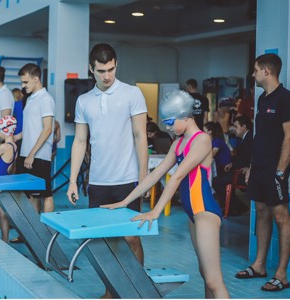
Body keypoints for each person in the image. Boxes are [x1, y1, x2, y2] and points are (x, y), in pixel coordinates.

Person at [102, 90, 230, 298]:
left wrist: (155, 211)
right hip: (193, 213)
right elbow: (156, 175)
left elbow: (178, 177)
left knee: (214, 280)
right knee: (205, 274)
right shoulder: (179, 143)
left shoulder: (202, 140)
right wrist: (125, 201)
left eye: (170, 122)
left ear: (185, 116)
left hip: (205, 211)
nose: (168, 127)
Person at [66, 43, 148, 298]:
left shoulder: (132, 94)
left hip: (128, 179)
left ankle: (135, 288)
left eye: (111, 69)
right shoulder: (83, 101)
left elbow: (140, 136)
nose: (107, 76)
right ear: (91, 69)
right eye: (101, 71)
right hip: (98, 182)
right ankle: (111, 291)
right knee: (103, 241)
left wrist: (143, 178)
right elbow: (80, 141)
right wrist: (71, 181)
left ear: (116, 66)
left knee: (131, 238)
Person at [235, 53, 290, 292]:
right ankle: (259, 265)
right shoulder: (263, 99)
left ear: (266, 71)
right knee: (261, 212)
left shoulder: (287, 99)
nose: (252, 75)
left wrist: (280, 172)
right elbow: (260, 137)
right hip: (260, 166)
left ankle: (281, 275)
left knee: (281, 217)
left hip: (275, 170)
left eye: (254, 70)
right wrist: (252, 165)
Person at [15, 63, 55, 214]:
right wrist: (15, 137)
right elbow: (30, 128)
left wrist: (32, 154)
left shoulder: (46, 99)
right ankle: (34, 233)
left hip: (39, 155)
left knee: (45, 194)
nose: (23, 85)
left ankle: (47, 233)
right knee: (31, 194)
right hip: (26, 153)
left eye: (25, 82)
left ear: (36, 79)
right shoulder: (31, 99)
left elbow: (47, 128)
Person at [212, 116, 252, 214]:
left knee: (217, 181)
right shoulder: (247, 138)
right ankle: (236, 207)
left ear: (244, 127)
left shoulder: (249, 139)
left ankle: (231, 208)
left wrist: (233, 164)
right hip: (240, 170)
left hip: (244, 173)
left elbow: (245, 159)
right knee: (221, 179)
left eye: (236, 126)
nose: (233, 128)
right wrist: (231, 163)